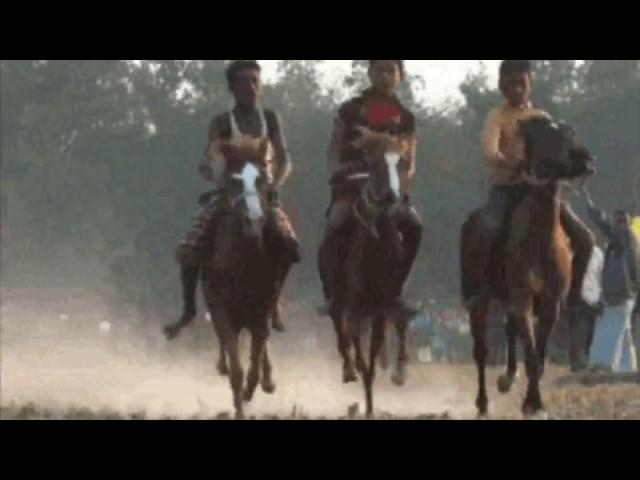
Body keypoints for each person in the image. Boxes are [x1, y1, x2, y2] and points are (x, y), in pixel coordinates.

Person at [168, 60, 300, 339]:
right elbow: (208, 160)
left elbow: (284, 159)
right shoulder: (221, 123)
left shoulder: (270, 118)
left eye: (255, 81)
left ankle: (274, 301)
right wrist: (216, 175)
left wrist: (275, 184)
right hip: (230, 194)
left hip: (263, 194)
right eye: (244, 82)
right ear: (232, 88)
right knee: (190, 246)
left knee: (288, 243)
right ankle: (189, 310)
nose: (251, 88)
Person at [468, 59, 595, 308]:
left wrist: (581, 159)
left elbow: (560, 152)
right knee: (485, 229)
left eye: (521, 84)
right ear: (501, 86)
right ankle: (481, 289)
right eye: (510, 84)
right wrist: (513, 164)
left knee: (585, 240)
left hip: (540, 190)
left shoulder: (542, 118)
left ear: (530, 84)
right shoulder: (496, 117)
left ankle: (574, 295)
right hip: (507, 189)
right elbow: (490, 152)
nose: (516, 89)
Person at [318, 60, 423, 315]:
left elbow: (408, 162)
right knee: (335, 222)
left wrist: (401, 183)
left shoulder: (406, 118)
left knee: (415, 226)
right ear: (369, 74)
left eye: (391, 70)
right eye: (379, 70)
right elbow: (333, 152)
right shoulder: (350, 110)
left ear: (401, 75)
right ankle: (332, 293)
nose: (385, 76)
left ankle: (396, 291)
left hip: (390, 189)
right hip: (352, 186)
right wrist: (341, 169)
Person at [583, 188, 639, 371]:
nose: (619, 224)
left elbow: (602, 223)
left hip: (622, 296)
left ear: (627, 223)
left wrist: (589, 203)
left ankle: (603, 366)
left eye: (622, 221)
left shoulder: (627, 238)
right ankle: (627, 368)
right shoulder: (614, 244)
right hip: (615, 296)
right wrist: (587, 197)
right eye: (617, 221)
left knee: (609, 331)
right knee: (624, 333)